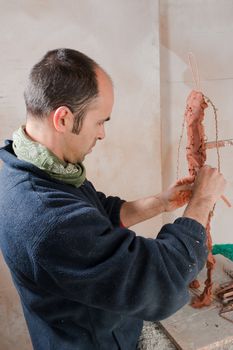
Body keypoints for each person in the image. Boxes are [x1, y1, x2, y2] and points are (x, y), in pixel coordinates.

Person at [0, 48, 226, 350]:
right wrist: (200, 204)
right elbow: (158, 284)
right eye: (100, 122)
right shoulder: (45, 216)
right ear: (64, 118)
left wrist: (162, 201)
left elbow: (97, 214)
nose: (103, 134)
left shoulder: (36, 167)